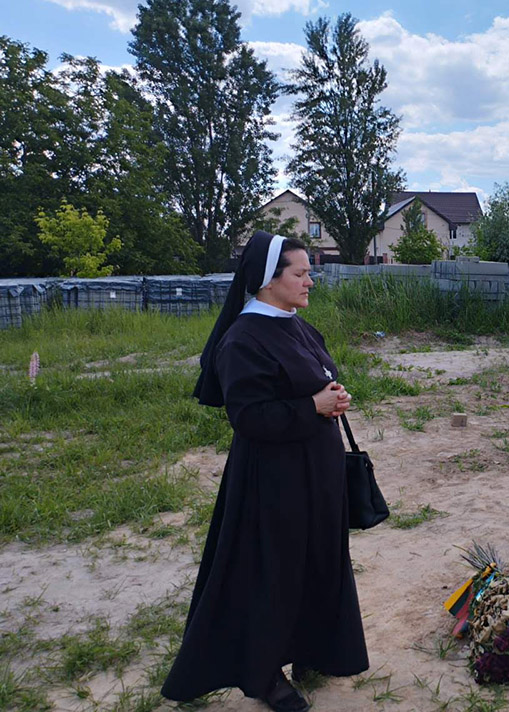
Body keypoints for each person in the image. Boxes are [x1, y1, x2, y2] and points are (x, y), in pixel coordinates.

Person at [161, 231, 368, 712]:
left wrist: (331, 398)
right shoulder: (243, 338)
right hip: (273, 480)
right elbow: (250, 418)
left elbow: (310, 381)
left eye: (308, 272)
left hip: (316, 471)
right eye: (300, 273)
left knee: (317, 561)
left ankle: (311, 651)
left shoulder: (295, 324)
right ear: (267, 280)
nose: (309, 281)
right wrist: (313, 406)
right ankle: (264, 675)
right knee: (273, 574)